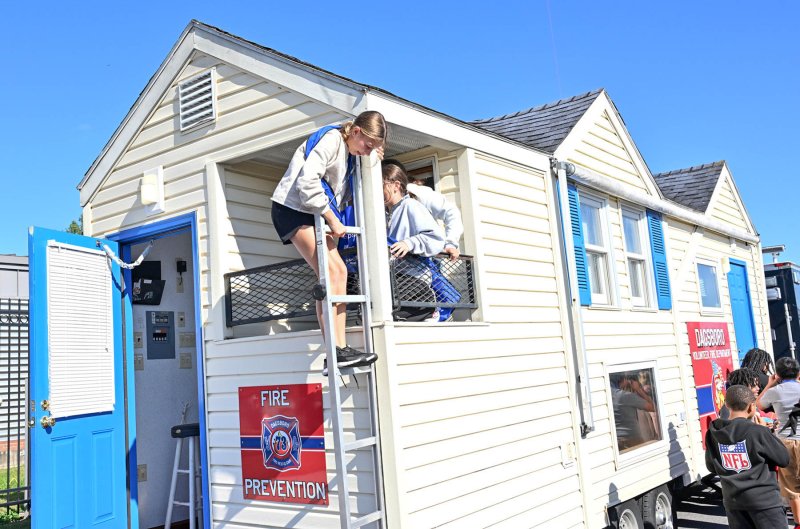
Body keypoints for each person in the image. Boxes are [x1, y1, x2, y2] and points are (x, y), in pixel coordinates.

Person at [271, 111, 387, 371]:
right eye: (367, 145)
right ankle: (333, 349)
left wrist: (372, 159)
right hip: (293, 209)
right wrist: (332, 219)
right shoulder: (332, 139)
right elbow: (307, 181)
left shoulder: (350, 153)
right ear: (355, 131)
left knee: (340, 272)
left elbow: (347, 186)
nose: (367, 151)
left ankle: (340, 347)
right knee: (330, 272)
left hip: (312, 211)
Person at [706, 385, 790, 529]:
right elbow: (783, 459)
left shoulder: (713, 433)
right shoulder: (758, 432)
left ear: (726, 405)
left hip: (734, 502)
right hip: (765, 502)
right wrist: (766, 431)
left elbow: (711, 466)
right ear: (752, 407)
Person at [383, 161, 446, 321]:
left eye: (381, 185)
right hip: (395, 281)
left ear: (396, 185)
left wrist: (409, 243)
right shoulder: (385, 213)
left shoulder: (410, 206)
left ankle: (429, 312)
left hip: (414, 282)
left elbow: (436, 238)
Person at [382, 159, 464, 261]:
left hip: (423, 263)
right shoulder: (384, 206)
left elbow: (450, 212)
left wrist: (450, 243)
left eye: (381, 184)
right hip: (400, 268)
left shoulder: (416, 197)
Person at [757, 356, 800, 528]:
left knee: (792, 490)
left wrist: (770, 383)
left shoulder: (775, 391)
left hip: (785, 443)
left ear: (778, 375)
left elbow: (758, 404)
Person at [609, 372, 655, 451]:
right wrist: (638, 389)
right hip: (631, 441)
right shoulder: (625, 396)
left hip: (616, 442)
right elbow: (652, 407)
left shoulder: (608, 395)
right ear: (623, 380)